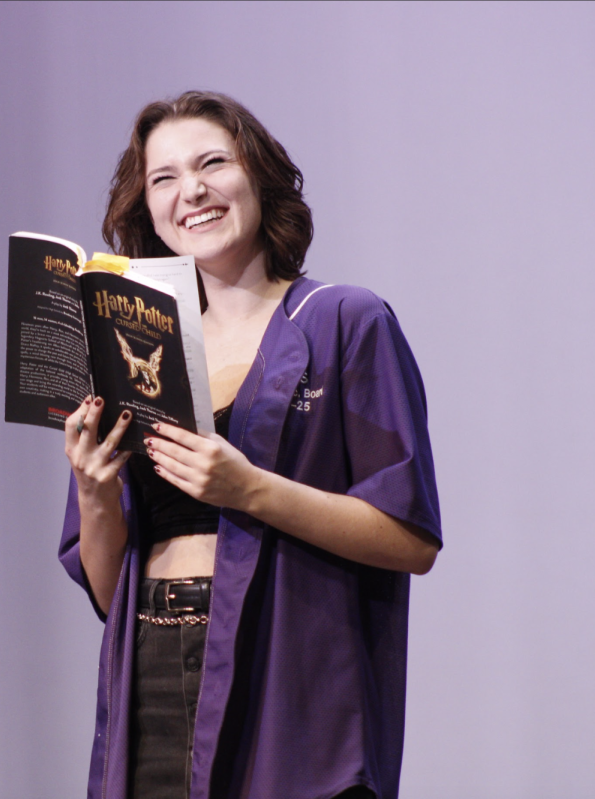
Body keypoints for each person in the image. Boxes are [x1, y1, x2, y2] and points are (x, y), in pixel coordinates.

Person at [59, 92, 442, 799]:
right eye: (163, 178)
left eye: (213, 163)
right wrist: (93, 489)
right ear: (147, 206)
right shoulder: (136, 348)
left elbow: (411, 537)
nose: (191, 191)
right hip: (149, 664)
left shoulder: (343, 320)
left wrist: (250, 490)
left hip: (291, 675)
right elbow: (111, 594)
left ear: (259, 177)